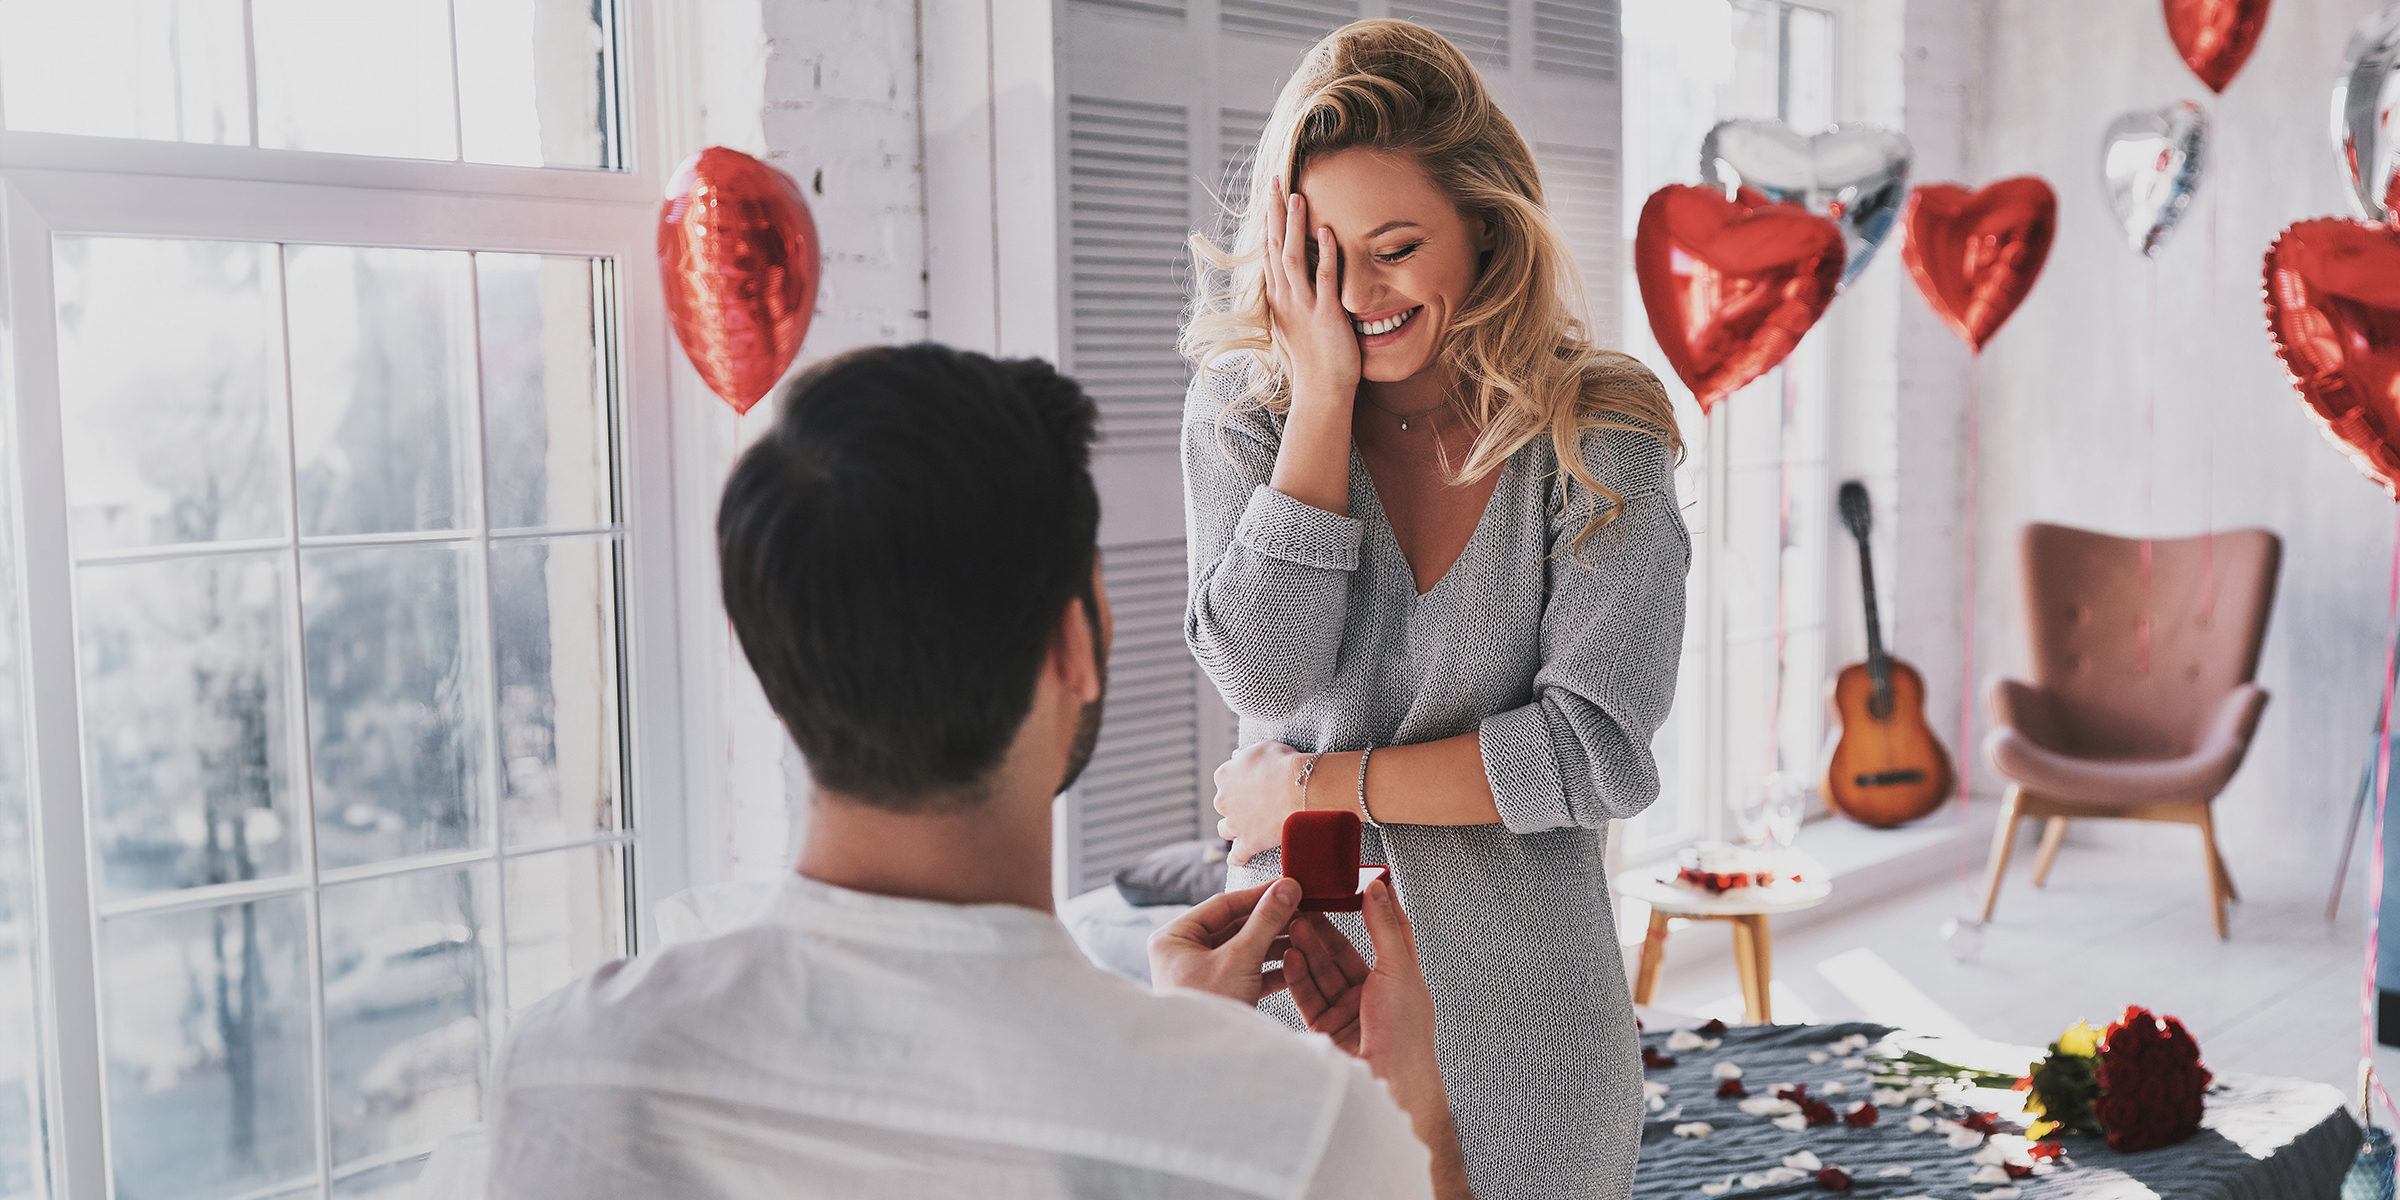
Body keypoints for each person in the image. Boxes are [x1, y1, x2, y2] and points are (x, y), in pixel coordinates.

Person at [471, 344, 1472, 1199]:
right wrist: (1414, 1111)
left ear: (765, 651)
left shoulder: (568, 1073)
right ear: (1073, 645)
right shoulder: (1298, 1132)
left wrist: (1177, 1042)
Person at [1179, 20, 1689, 1200]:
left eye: (1397, 246)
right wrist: (1320, 403)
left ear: (1488, 224)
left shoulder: (1598, 432)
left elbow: (1596, 751)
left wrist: (1315, 784)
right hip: (1308, 1025)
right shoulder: (1245, 410)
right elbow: (1262, 673)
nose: (1356, 292)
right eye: (1321, 255)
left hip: (1538, 1047)